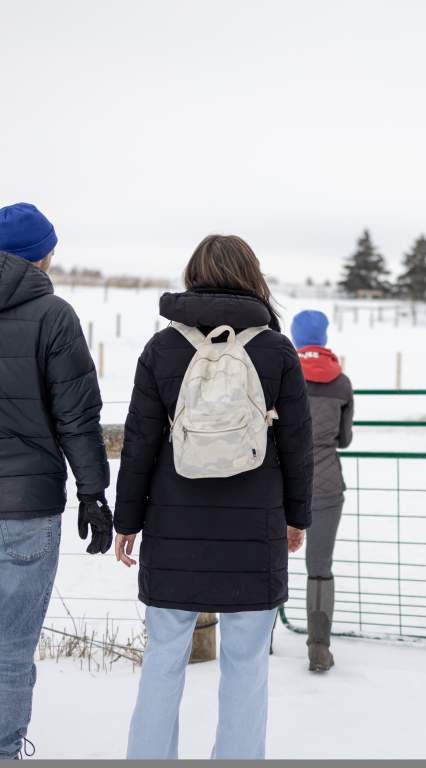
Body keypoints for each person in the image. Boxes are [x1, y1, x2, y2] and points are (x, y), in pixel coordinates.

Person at [114, 234, 313, 760]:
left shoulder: (161, 348)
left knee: (162, 660)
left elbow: (138, 443)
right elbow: (296, 445)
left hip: (174, 531)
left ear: (193, 274)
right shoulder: (276, 350)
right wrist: (298, 518)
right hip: (255, 532)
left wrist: (127, 520)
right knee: (247, 666)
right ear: (252, 275)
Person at [0, 203, 112, 761]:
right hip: (25, 509)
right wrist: (93, 492)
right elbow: (77, 417)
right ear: (41, 255)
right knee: (11, 651)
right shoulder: (54, 315)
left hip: (27, 506)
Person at [291, 310, 354, 672]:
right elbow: (344, 439)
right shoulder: (341, 382)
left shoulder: (282, 375)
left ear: (297, 339)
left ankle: (261, 641)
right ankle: (319, 648)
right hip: (328, 484)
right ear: (324, 338)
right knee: (319, 567)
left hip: (284, 484)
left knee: (270, 561)